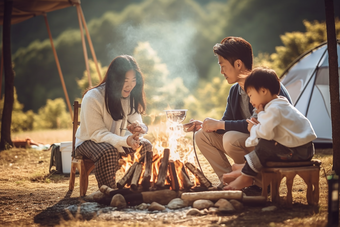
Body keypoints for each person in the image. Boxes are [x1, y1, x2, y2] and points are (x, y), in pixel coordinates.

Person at [186, 37, 292, 188]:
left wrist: (220, 124)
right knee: (202, 135)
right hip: (251, 140)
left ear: (238, 64)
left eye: (222, 66)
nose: (221, 71)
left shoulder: (265, 85)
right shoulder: (235, 91)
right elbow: (227, 123)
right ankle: (229, 180)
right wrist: (208, 126)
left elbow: (263, 124)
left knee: (230, 138)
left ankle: (257, 183)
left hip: (272, 144)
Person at [223, 67, 317, 190]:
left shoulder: (274, 109)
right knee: (266, 145)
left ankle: (245, 175)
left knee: (265, 146)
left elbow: (266, 134)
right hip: (300, 148)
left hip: (299, 152)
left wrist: (253, 129)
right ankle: (245, 169)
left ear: (263, 91)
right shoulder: (277, 104)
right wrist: (260, 116)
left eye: (251, 95)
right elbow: (269, 130)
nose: (250, 100)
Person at [75, 55, 153, 189]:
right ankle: (109, 192)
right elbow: (97, 134)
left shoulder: (129, 96)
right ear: (114, 79)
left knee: (145, 145)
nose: (130, 85)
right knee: (109, 151)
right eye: (125, 80)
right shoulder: (93, 97)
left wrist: (139, 129)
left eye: (134, 80)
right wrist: (125, 141)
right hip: (90, 141)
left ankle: (135, 188)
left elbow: (138, 121)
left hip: (116, 141)